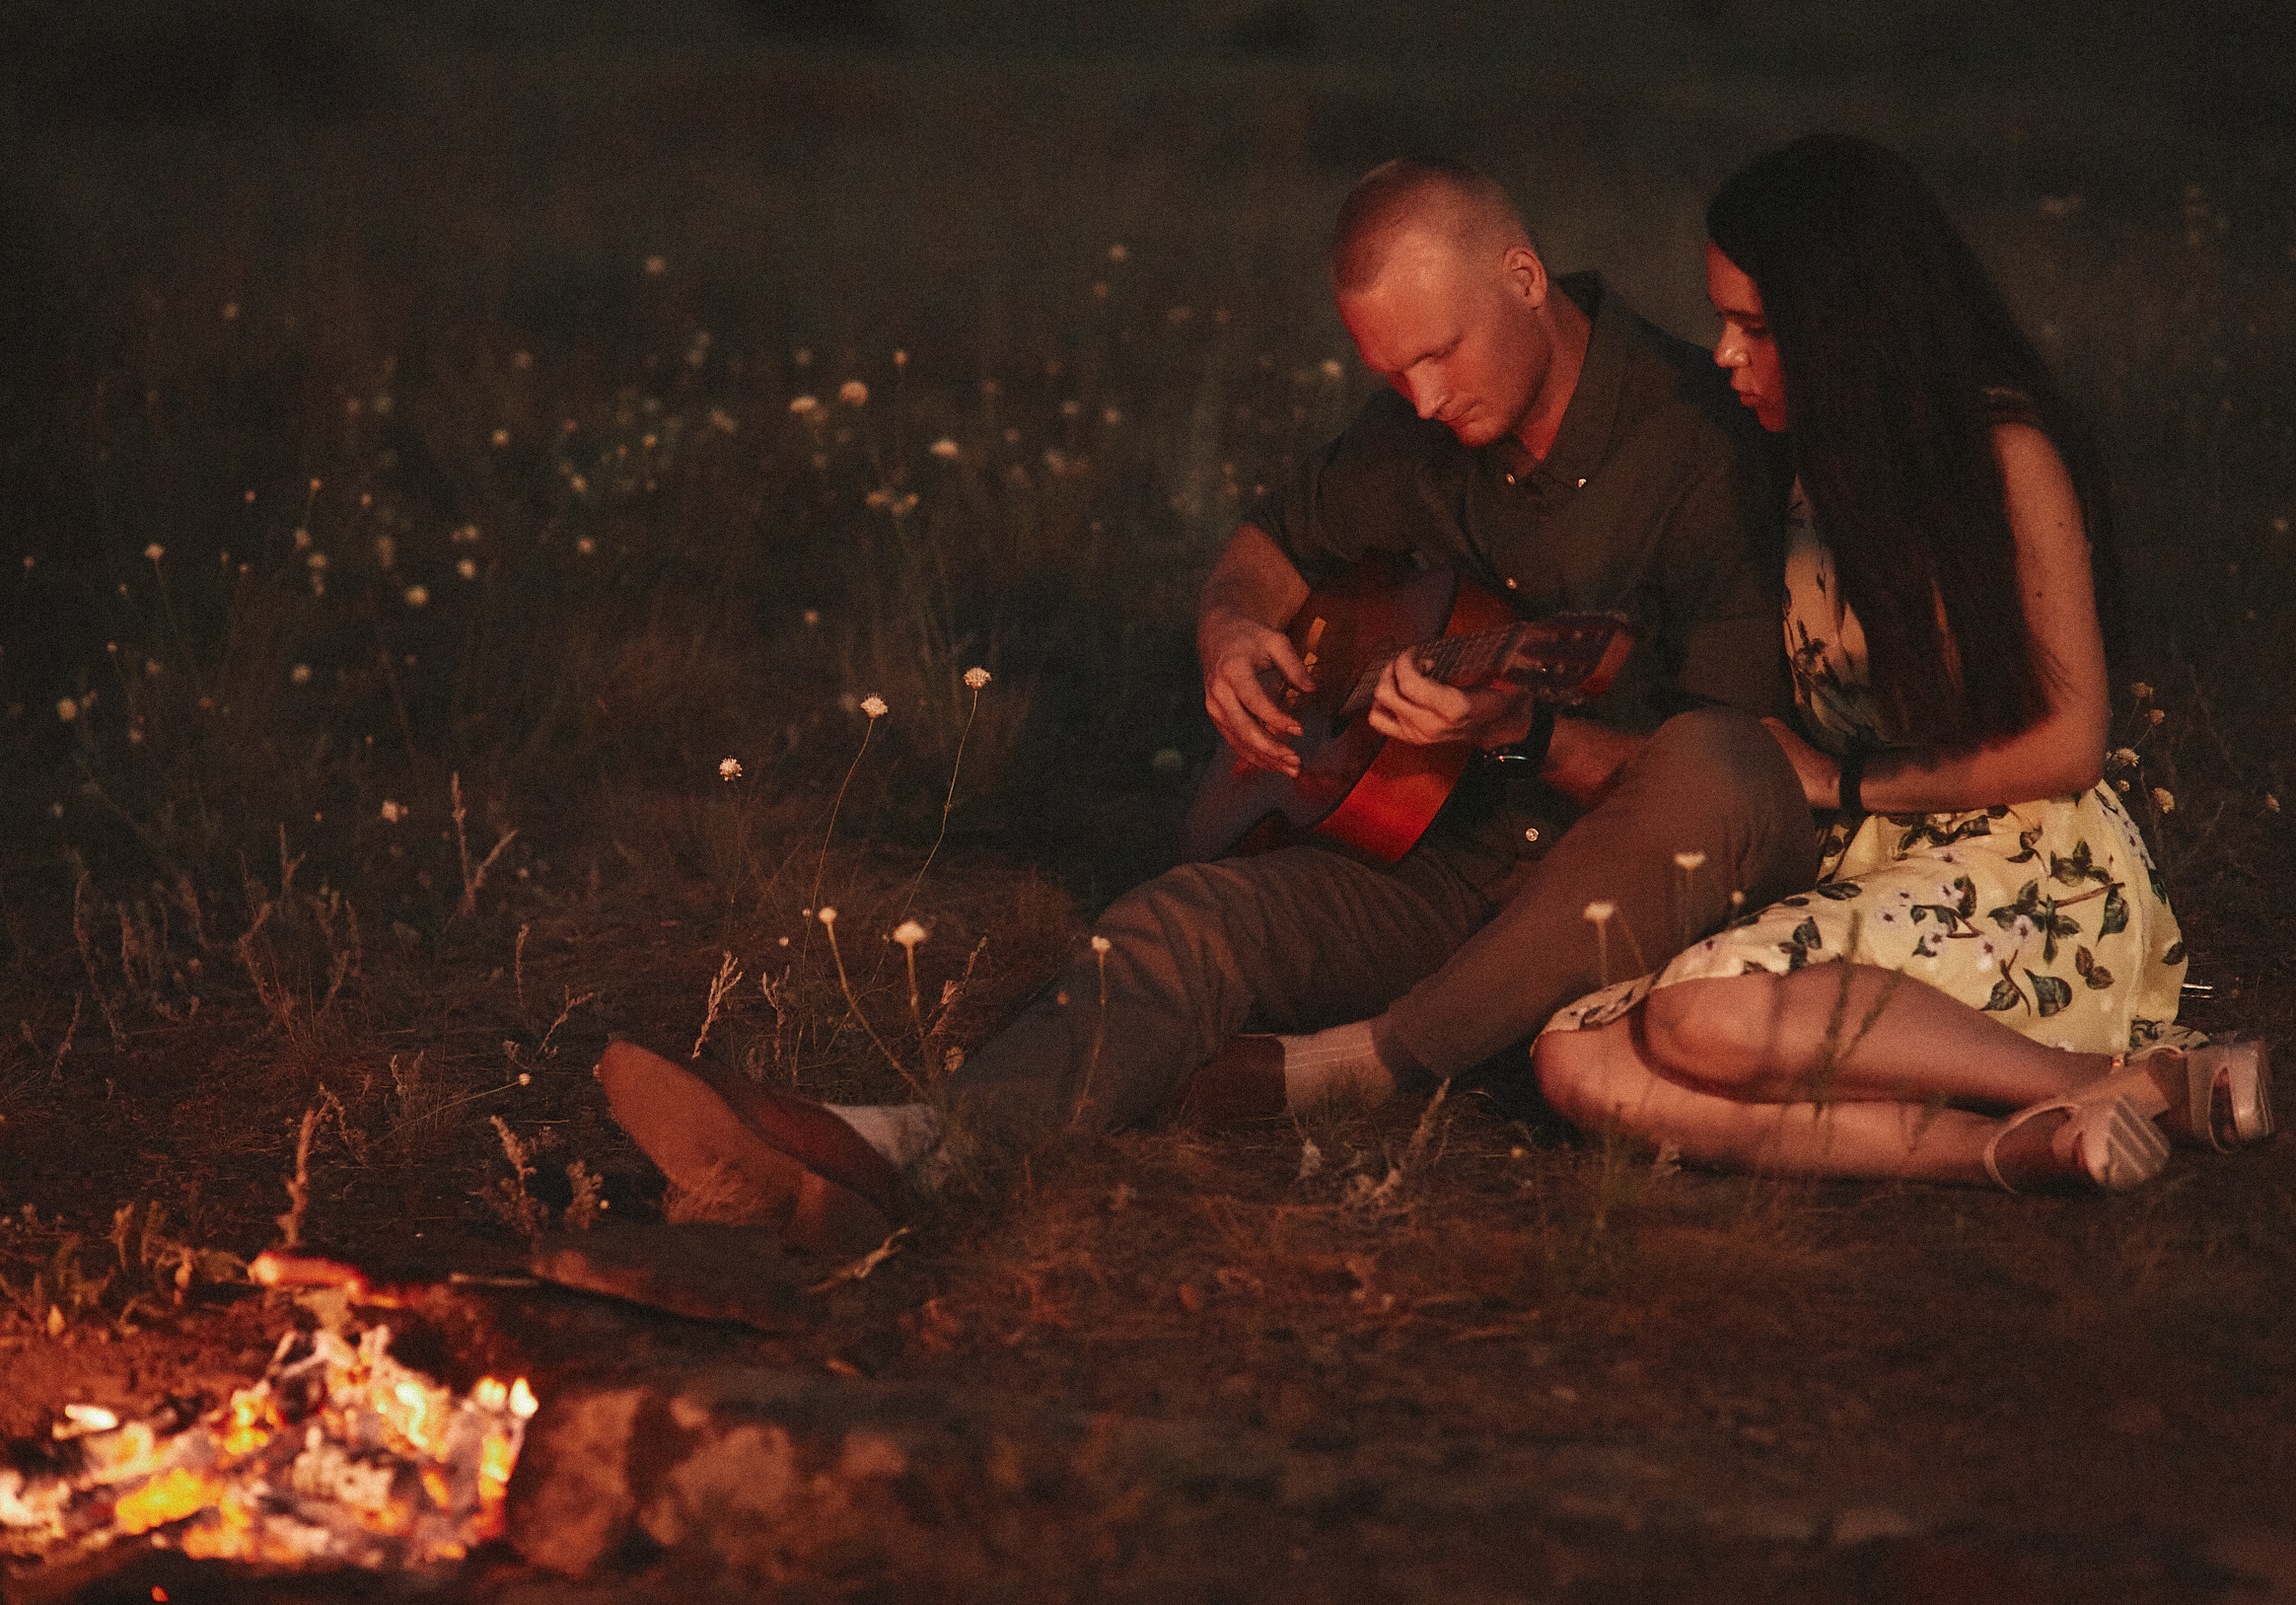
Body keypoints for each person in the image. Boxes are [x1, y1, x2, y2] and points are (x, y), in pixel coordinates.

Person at [599, 158, 1824, 1254]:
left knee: (1696, 783)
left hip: (1595, 884)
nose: (1420, 396)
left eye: (1437, 353)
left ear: (1520, 274)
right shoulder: (1417, 428)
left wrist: (1522, 731)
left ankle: (1349, 1068)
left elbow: (1733, 773)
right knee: (1185, 916)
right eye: (1390, 370)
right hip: (1421, 861)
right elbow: (1272, 543)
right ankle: (910, 1149)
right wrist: (1232, 627)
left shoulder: (1698, 446)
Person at [1531, 134, 2272, 1193]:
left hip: (2022, 862)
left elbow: (2067, 746)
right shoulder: (1799, 465)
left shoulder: (2003, 458)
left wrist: (1834, 779)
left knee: (1700, 1018)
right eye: (1722, 322)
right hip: (1864, 856)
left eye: (1755, 326)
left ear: (1844, 329)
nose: (1726, 356)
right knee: (1576, 1057)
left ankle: (2112, 1074)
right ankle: (2009, 1146)